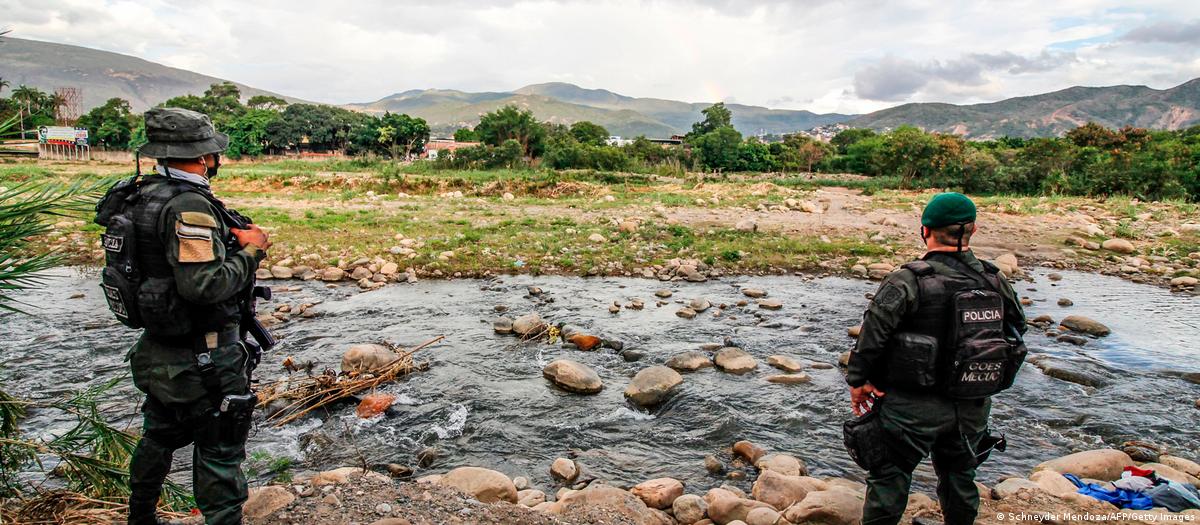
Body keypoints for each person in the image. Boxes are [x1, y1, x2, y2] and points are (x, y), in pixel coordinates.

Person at [117, 107, 271, 525]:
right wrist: (253, 249)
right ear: (203, 157)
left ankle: (140, 517)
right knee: (220, 447)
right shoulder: (190, 208)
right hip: (205, 356)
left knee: (158, 436)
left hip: (158, 350)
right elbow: (203, 286)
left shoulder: (140, 196)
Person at [846, 192, 1027, 525]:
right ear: (972, 229)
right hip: (971, 403)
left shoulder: (908, 280)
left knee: (889, 477)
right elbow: (1017, 329)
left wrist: (858, 381)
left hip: (910, 407)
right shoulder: (994, 279)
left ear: (924, 230)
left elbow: (872, 337)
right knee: (960, 477)